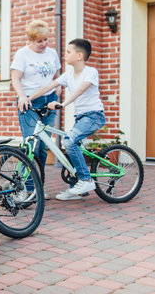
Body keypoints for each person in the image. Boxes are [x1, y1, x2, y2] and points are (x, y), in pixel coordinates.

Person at [28, 38, 105, 200]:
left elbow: (80, 90)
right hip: (80, 117)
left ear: (79, 56)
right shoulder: (68, 74)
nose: (64, 55)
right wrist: (28, 98)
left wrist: (63, 104)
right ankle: (76, 189)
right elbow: (48, 86)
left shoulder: (90, 72)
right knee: (69, 145)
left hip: (94, 115)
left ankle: (85, 179)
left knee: (69, 141)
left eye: (68, 52)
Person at [11, 20, 61, 177]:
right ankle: (28, 187)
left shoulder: (52, 53)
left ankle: (39, 186)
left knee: (43, 146)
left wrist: (58, 87)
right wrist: (22, 96)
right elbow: (15, 78)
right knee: (31, 143)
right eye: (39, 41)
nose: (44, 44)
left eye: (46, 39)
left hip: (50, 101)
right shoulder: (22, 54)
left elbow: (57, 76)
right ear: (30, 40)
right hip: (30, 102)